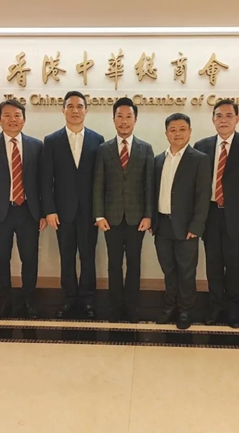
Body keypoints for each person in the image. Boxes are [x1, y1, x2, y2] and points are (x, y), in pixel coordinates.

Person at [194, 99, 239, 328]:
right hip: (210, 214)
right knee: (213, 264)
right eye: (219, 116)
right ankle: (215, 308)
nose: (223, 120)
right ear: (213, 119)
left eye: (228, 116)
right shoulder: (202, 145)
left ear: (237, 119)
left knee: (234, 265)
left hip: (238, 216)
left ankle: (234, 309)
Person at [0, 99, 46, 319]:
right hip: (0, 212)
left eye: (17, 115)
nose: (12, 120)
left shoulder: (36, 145)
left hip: (28, 211)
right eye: (7, 115)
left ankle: (29, 301)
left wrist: (43, 213)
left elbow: (43, 183)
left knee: (30, 259)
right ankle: (3, 302)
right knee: (1, 259)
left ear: (24, 120)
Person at [41, 91, 104, 319]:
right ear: (63, 110)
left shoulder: (97, 139)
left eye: (79, 106)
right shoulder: (52, 140)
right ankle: (68, 299)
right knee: (66, 258)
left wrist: (99, 212)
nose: (75, 110)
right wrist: (49, 210)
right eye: (70, 106)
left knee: (88, 257)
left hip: (89, 212)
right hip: (62, 212)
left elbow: (101, 179)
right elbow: (46, 178)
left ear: (86, 110)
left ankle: (87, 300)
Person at [93, 97, 155, 322]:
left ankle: (132, 307)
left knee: (134, 264)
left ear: (135, 119)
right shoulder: (104, 149)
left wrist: (149, 215)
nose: (124, 121)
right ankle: (115, 307)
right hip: (111, 218)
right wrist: (99, 214)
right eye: (119, 116)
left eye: (129, 116)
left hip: (137, 218)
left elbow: (149, 185)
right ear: (113, 119)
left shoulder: (145, 148)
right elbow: (98, 184)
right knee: (114, 265)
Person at [153, 113, 211, 330]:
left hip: (187, 227)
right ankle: (170, 306)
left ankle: (185, 310)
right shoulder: (158, 159)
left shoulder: (199, 159)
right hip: (162, 224)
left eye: (182, 129)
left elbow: (203, 196)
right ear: (166, 133)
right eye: (173, 130)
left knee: (186, 271)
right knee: (168, 270)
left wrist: (196, 225)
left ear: (190, 132)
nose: (177, 133)